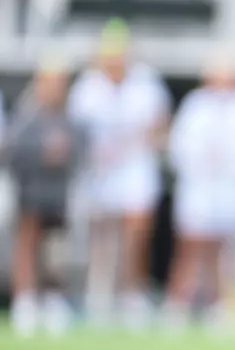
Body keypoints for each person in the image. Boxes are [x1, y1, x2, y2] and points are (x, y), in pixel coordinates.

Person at [68, 20, 172, 328]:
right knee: (101, 232)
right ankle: (99, 293)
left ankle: (131, 292)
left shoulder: (146, 83)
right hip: (98, 171)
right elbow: (76, 133)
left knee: (136, 231)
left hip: (135, 169)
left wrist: (141, 141)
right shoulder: (87, 87)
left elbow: (161, 124)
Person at [165, 53, 235, 326]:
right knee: (192, 247)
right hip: (200, 188)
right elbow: (180, 146)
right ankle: (179, 302)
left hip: (228, 190)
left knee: (223, 250)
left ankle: (220, 304)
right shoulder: (196, 105)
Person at [5, 60, 87, 336]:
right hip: (31, 192)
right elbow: (13, 151)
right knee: (27, 244)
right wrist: (42, 152)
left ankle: (53, 299)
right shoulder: (28, 116)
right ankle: (25, 298)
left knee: (56, 252)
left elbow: (80, 151)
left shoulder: (69, 119)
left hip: (59, 196)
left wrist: (63, 154)